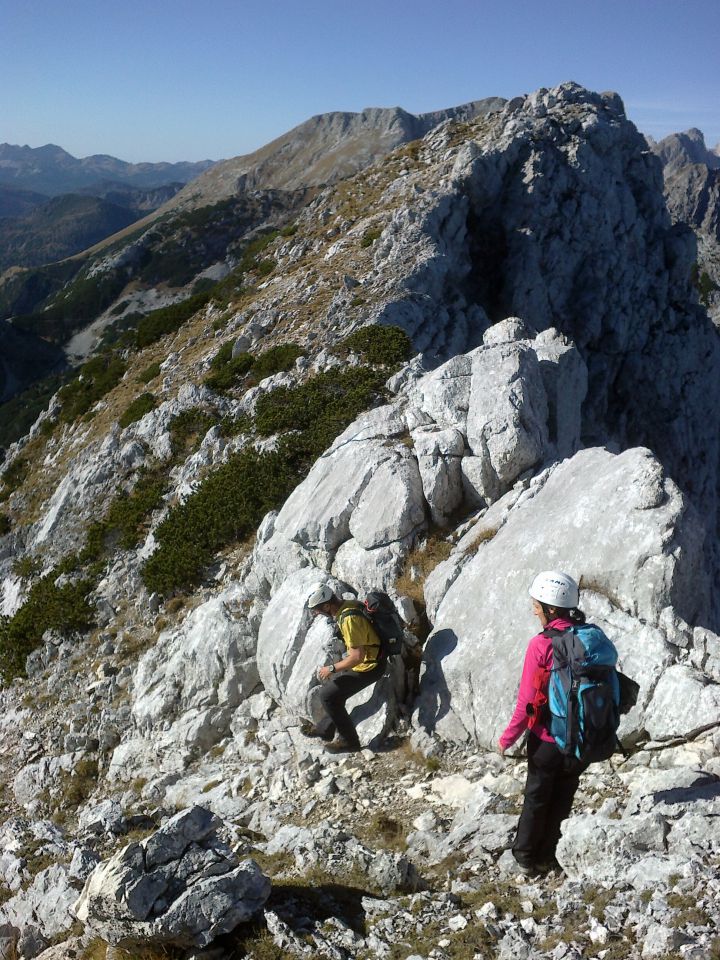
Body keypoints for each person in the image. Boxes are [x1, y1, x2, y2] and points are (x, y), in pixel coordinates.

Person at [498, 570, 588, 876]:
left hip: (548, 737)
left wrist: (507, 738)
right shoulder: (586, 635)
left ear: (550, 608)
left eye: (536, 604)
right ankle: (549, 855)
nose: (533, 609)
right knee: (563, 796)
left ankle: (524, 857)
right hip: (581, 739)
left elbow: (527, 702)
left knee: (537, 796)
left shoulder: (542, 644)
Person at [303, 584, 385, 753]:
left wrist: (332, 668)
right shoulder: (349, 605)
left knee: (328, 696)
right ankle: (325, 729)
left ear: (327, 606)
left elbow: (357, 657)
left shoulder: (348, 619)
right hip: (372, 659)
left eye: (318, 609)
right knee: (335, 693)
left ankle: (350, 742)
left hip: (371, 666)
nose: (317, 613)